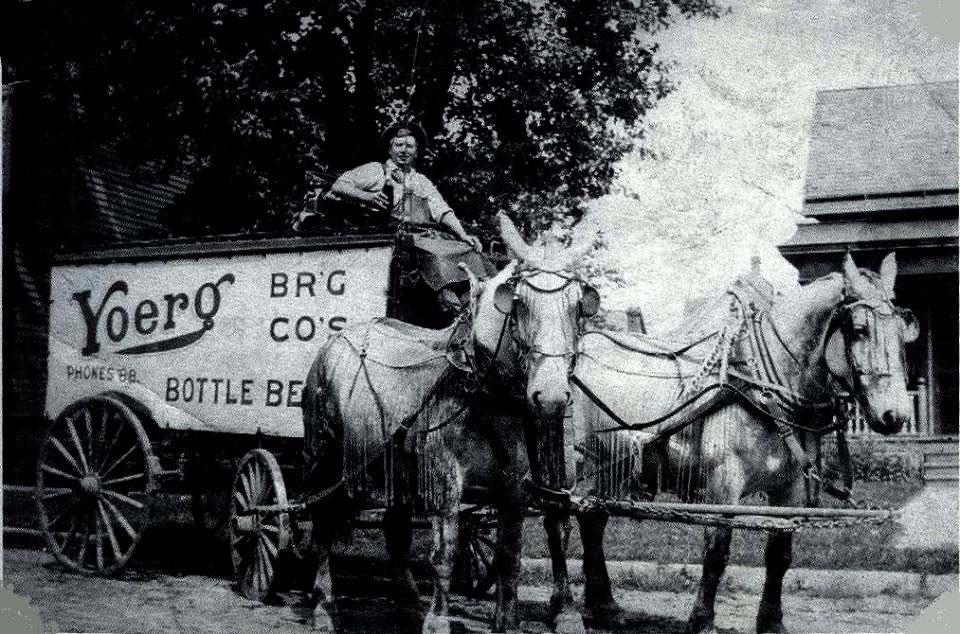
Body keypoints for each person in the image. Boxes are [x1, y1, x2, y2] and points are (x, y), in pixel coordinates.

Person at [325, 123, 495, 327]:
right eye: (399, 145)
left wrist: (463, 234)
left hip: (429, 237)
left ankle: (476, 302)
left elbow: (442, 211)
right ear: (390, 149)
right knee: (435, 255)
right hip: (402, 238)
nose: (404, 150)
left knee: (471, 251)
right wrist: (367, 197)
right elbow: (339, 185)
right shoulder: (377, 171)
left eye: (409, 146)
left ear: (416, 151)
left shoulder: (421, 180)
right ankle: (448, 304)